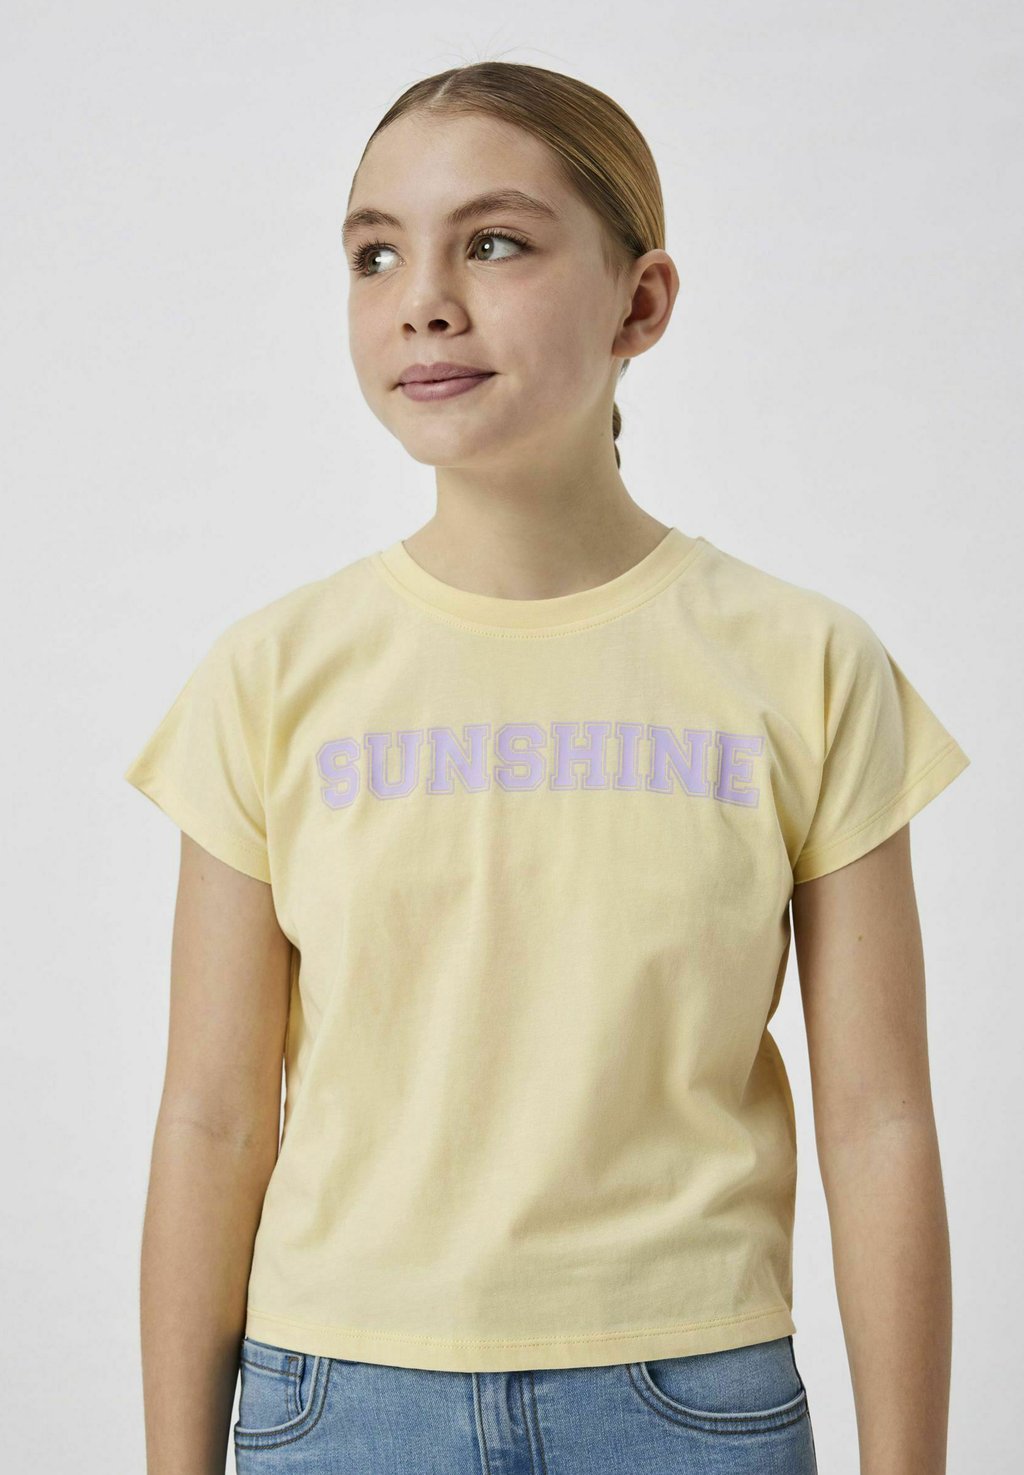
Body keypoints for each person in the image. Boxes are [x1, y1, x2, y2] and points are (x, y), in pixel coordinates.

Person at [124, 61, 969, 1475]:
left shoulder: (806, 665)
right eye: (375, 254)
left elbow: (880, 1119)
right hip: (339, 1404)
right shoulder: (271, 676)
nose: (423, 299)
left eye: (495, 243)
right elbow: (210, 1121)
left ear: (642, 303)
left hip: (690, 1402)